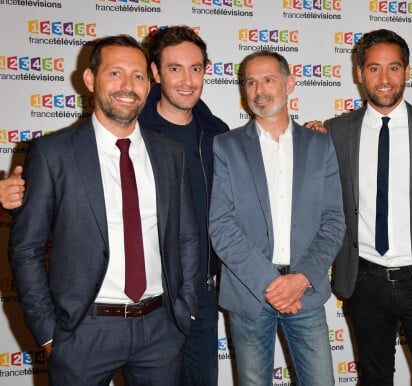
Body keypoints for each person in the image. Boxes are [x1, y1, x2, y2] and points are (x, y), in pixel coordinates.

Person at [0, 26, 228, 386]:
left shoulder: (171, 153)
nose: (128, 85)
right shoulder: (53, 153)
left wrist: (181, 310)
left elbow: (187, 236)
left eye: (137, 75)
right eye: (115, 73)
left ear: (148, 82)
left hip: (160, 328)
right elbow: (26, 248)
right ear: (90, 79)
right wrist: (47, 332)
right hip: (84, 331)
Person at [316, 29, 412, 385]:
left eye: (393, 68)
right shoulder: (337, 131)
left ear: (407, 71)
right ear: (359, 73)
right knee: (374, 379)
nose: (384, 79)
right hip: (364, 281)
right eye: (374, 68)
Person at [208, 50, 345, 385]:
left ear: (290, 83)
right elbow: (221, 226)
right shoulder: (226, 146)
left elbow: (334, 222)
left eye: (268, 79)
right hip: (249, 293)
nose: (259, 90)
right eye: (250, 82)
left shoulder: (320, 146)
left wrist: (300, 279)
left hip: (306, 293)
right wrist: (272, 286)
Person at [141, 26, 228, 386]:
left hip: (202, 291)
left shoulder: (218, 134)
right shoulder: (130, 129)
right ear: (156, 73)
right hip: (147, 292)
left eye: (196, 68)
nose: (188, 80)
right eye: (175, 68)